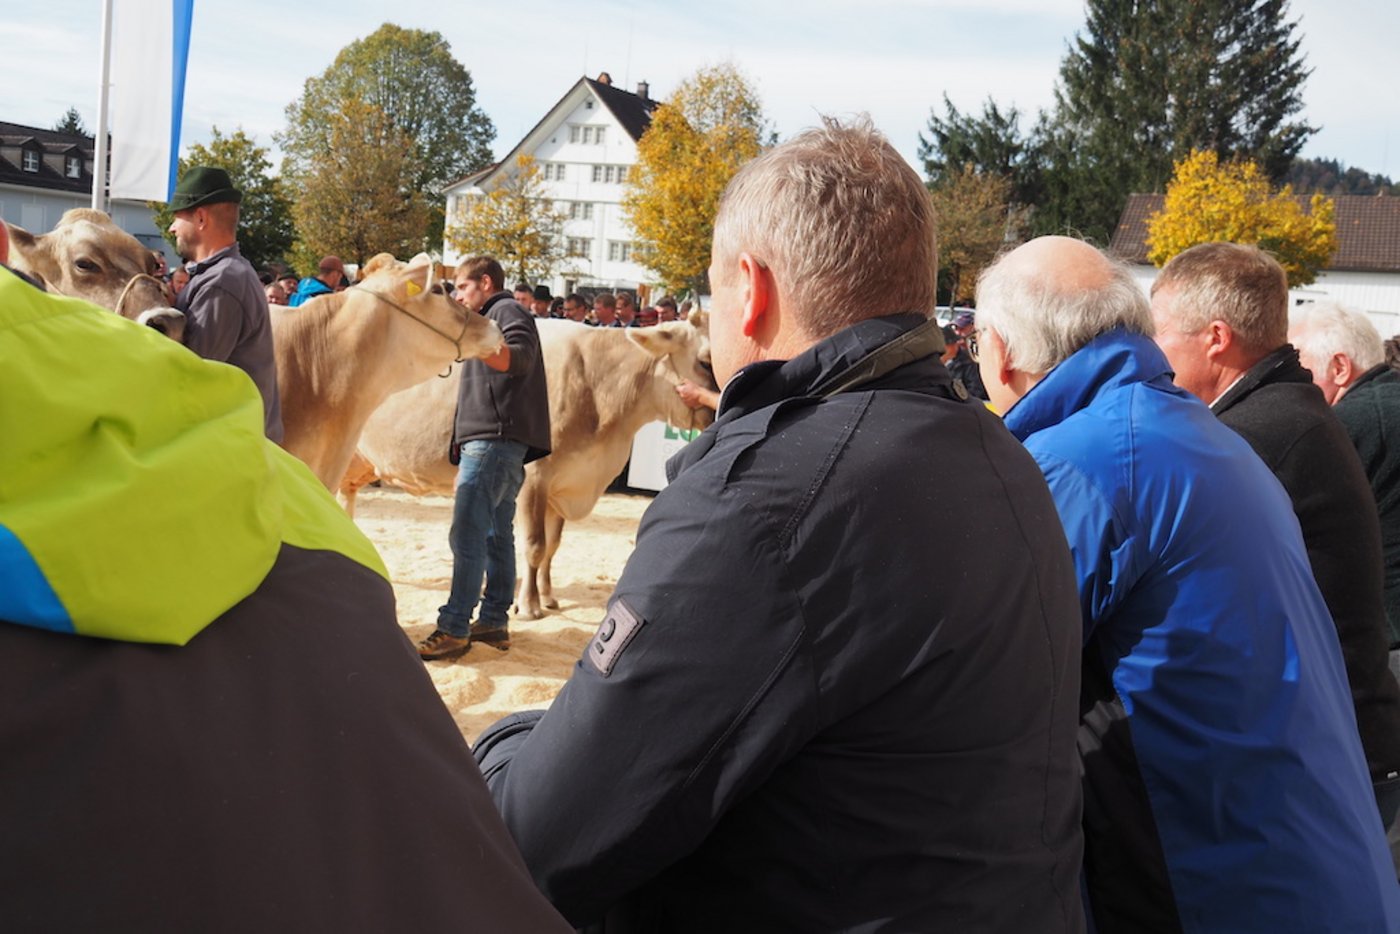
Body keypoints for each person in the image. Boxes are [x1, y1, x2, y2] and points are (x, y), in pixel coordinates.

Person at [473, 117, 1086, 932]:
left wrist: (497, 738)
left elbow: (539, 837)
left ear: (751, 289)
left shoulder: (770, 496)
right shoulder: (997, 452)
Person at [0, 219, 570, 934]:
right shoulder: (310, 511)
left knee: (479, 530)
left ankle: (475, 618)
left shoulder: (497, 323)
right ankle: (482, 616)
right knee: (484, 531)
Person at [976, 235, 1400, 932]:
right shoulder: (1197, 433)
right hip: (1307, 865)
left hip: (1222, 882)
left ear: (1000, 350)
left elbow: (985, 688)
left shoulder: (1081, 462)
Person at [1150, 242, 1400, 796]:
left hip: (1323, 766)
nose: (1152, 351)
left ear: (1216, 339)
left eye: (1159, 332)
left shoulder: (1254, 437)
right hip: (1337, 744)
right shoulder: (1289, 409)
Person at [417, 256, 550, 661]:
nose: (458, 296)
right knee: (494, 535)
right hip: (500, 440)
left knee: (468, 535)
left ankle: (455, 626)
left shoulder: (506, 310)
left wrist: (478, 345)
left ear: (486, 282)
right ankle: (492, 621)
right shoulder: (490, 316)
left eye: (463, 287)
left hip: (493, 439)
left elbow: (518, 358)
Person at [1291, 302, 1400, 660]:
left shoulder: (1347, 425)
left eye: (1298, 365)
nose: (1289, 381)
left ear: (1339, 367)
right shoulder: (1387, 403)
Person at [167, 166, 282, 442]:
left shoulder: (223, 282)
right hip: (233, 444)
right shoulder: (223, 274)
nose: (172, 228)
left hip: (230, 452)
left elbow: (191, 376)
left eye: (178, 218)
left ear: (201, 218)